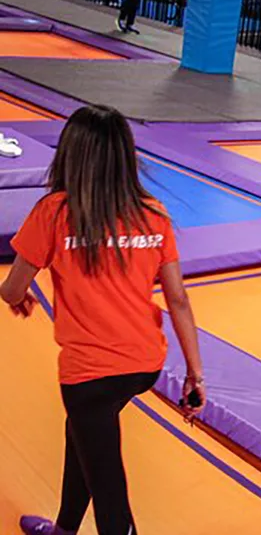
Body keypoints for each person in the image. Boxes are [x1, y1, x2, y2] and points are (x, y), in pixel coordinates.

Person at [1, 105, 206, 535]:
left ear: (71, 156)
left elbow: (12, 288)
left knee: (110, 496)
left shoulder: (54, 212)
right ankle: (64, 528)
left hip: (90, 374)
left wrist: (19, 301)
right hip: (144, 364)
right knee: (83, 441)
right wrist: (195, 374)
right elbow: (179, 300)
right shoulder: (153, 212)